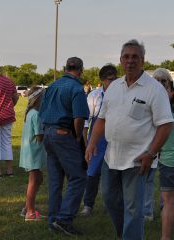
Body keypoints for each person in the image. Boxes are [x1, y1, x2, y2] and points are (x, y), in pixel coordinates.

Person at [85, 39, 173, 240]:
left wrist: (151, 153)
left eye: (135, 57)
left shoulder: (154, 89)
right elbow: (102, 119)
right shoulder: (114, 87)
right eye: (126, 57)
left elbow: (166, 125)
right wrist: (91, 143)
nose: (130, 61)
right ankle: (125, 234)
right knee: (109, 200)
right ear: (120, 61)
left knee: (134, 209)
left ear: (143, 60)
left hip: (138, 159)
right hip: (112, 157)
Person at [39, 57, 89, 236]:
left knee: (55, 180)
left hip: (48, 133)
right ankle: (64, 219)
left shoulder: (53, 86)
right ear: (81, 69)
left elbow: (41, 111)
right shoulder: (76, 88)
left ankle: (53, 219)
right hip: (63, 134)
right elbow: (79, 118)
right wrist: (77, 137)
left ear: (65, 68)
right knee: (78, 177)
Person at [80, 64, 117, 216]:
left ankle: (113, 205)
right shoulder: (94, 96)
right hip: (98, 141)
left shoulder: (121, 94)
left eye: (115, 79)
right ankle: (88, 205)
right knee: (92, 174)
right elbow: (86, 123)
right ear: (102, 80)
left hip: (115, 140)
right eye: (110, 80)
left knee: (115, 175)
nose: (113, 82)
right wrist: (87, 144)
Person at [152, 68, 174, 240]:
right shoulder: (151, 106)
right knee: (168, 202)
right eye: (156, 82)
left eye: (163, 82)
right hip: (166, 160)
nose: (159, 86)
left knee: (168, 202)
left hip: (167, 160)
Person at [19, 86, 47, 221]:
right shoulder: (36, 114)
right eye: (44, 97)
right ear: (38, 100)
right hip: (34, 153)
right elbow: (39, 136)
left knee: (38, 179)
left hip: (30, 152)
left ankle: (27, 208)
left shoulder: (30, 112)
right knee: (34, 181)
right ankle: (30, 212)